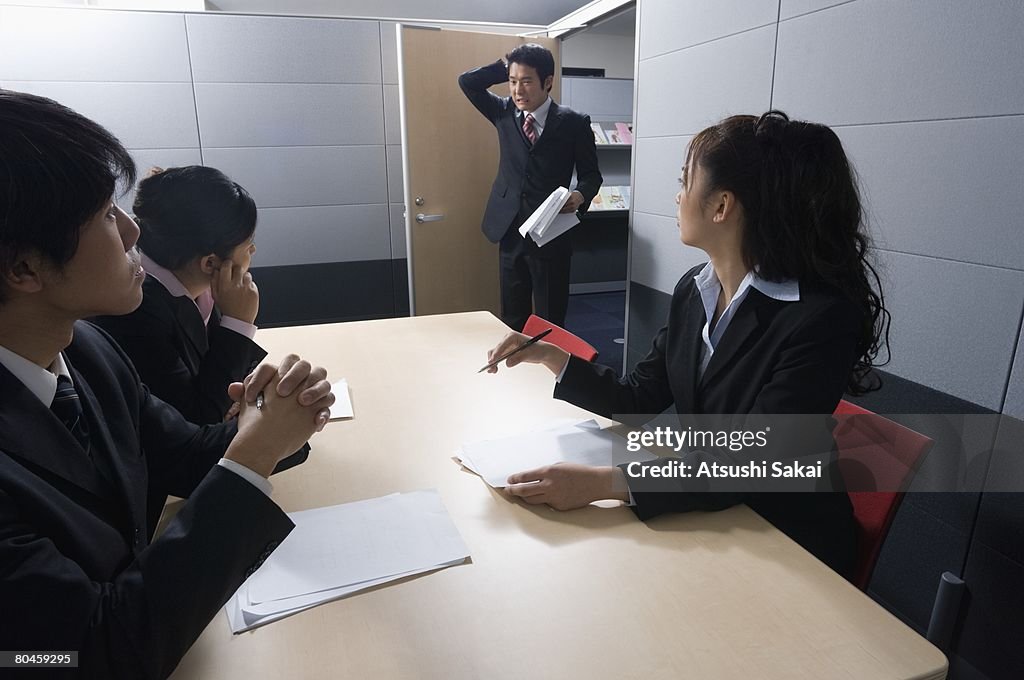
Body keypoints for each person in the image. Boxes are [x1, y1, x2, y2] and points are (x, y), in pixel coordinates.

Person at [0, 89, 335, 678]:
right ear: (24, 268)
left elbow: (180, 453)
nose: (132, 231)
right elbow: (87, 654)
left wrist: (276, 421)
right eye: (106, 214)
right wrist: (254, 452)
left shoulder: (86, 350)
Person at [485, 111, 891, 577]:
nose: (677, 196)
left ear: (721, 207)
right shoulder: (693, 291)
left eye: (685, 181)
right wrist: (553, 357)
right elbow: (639, 397)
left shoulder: (817, 318)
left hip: (786, 540)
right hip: (711, 515)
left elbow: (751, 459)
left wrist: (606, 483)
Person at [93, 165, 266, 425]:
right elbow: (199, 418)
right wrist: (238, 324)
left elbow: (223, 381)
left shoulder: (202, 287)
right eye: (248, 242)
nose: (253, 248)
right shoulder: (136, 311)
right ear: (209, 263)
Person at [459, 43, 603, 331]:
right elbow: (467, 82)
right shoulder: (502, 111)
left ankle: (551, 375)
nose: (517, 90)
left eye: (526, 81)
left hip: (551, 233)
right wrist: (506, 66)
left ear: (548, 82)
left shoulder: (574, 123)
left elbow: (592, 175)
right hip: (510, 231)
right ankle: (517, 371)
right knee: (512, 317)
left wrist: (579, 194)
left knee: (551, 319)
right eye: (513, 82)